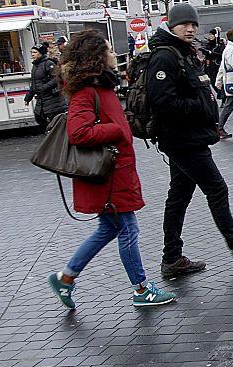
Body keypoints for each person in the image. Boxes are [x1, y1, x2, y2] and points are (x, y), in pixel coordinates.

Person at [46, 30, 176, 309]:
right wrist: (116, 129)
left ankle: (66, 277)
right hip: (109, 177)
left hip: (116, 174)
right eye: (107, 50)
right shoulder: (86, 92)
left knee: (108, 229)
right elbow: (78, 132)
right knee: (127, 230)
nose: (113, 54)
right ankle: (141, 289)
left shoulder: (100, 87)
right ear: (95, 58)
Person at [145, 3, 233, 279]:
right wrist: (199, 108)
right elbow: (162, 101)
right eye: (184, 24)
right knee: (216, 189)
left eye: (193, 24)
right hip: (182, 140)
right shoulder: (165, 57)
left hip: (189, 138)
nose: (190, 29)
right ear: (171, 25)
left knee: (178, 197)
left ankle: (172, 258)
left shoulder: (183, 52)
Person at [24, 42, 68, 132]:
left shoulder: (48, 64)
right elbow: (34, 83)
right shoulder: (35, 66)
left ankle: (57, 138)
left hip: (52, 99)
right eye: (32, 52)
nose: (32, 54)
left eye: (35, 52)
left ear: (41, 53)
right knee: (40, 118)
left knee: (55, 120)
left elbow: (56, 78)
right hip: (42, 99)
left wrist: (44, 87)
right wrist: (28, 96)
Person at [203, 28, 225, 99]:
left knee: (219, 82)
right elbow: (206, 54)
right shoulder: (208, 44)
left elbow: (221, 54)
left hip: (218, 66)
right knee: (213, 83)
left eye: (211, 35)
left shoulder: (220, 44)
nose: (210, 36)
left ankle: (223, 97)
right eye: (209, 35)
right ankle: (222, 95)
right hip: (210, 67)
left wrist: (211, 53)